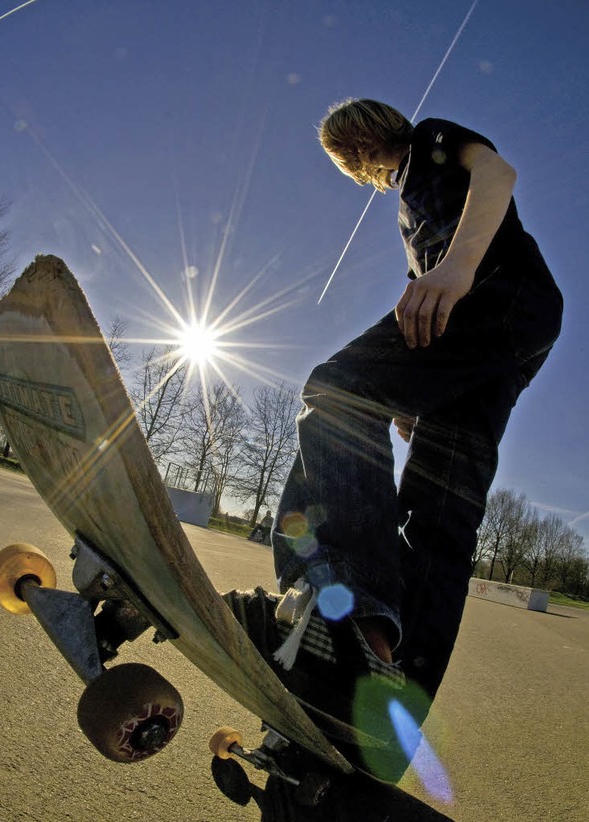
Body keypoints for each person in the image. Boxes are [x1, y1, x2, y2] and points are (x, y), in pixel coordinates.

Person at [225, 99, 563, 779]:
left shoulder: (431, 140)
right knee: (441, 515)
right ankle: (382, 718)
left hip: (493, 296)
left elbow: (497, 175)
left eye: (346, 159)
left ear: (355, 151)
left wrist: (459, 270)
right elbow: (424, 289)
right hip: (513, 330)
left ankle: (354, 619)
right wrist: (416, 392)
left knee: (336, 391)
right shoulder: (411, 206)